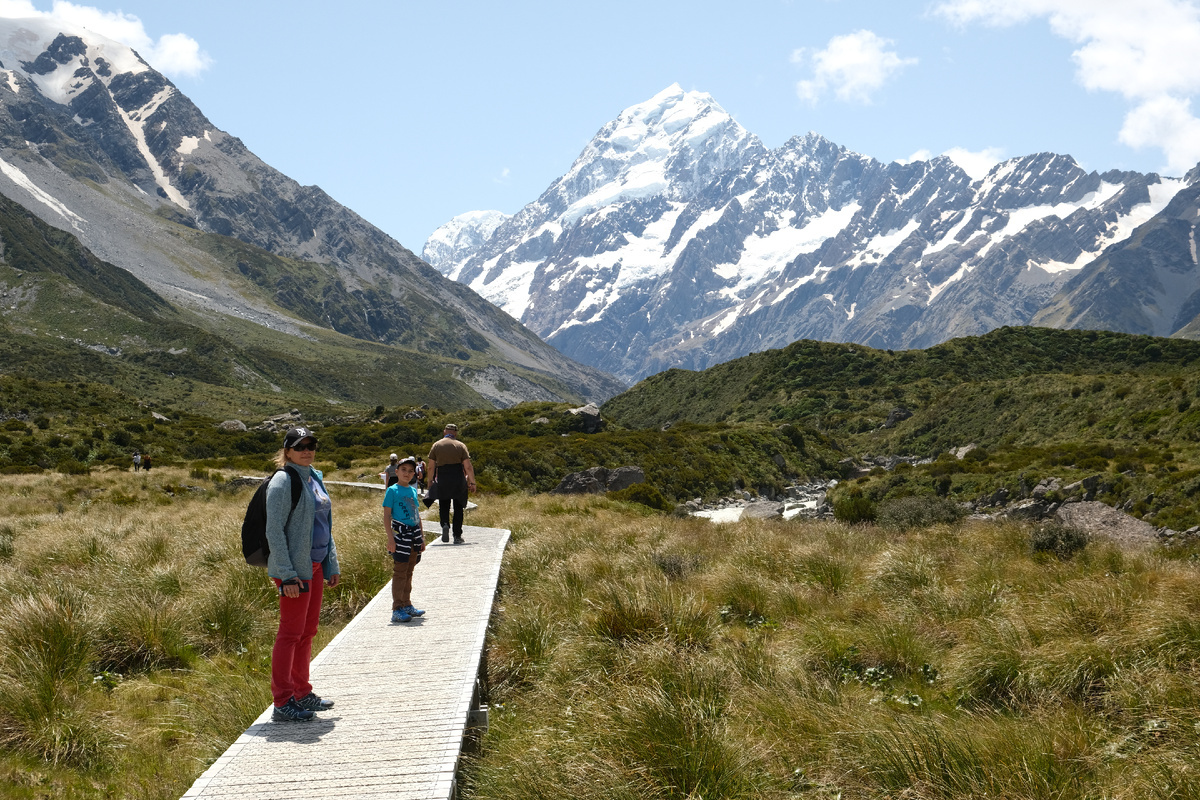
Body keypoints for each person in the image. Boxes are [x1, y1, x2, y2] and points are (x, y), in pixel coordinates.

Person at [266, 426, 341, 722]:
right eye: (300, 446)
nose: (307, 450)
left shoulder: (315, 477)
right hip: (295, 570)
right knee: (290, 634)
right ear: (287, 451)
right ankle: (283, 700)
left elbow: (325, 524)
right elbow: (274, 530)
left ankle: (301, 692)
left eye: (311, 445)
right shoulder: (284, 482)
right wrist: (286, 575)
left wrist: (331, 563)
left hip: (316, 564)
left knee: (307, 632)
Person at [382, 456, 426, 623]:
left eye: (410, 471)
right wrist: (390, 539)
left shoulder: (413, 490)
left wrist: (421, 537)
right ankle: (397, 608)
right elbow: (387, 515)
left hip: (414, 536)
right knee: (400, 572)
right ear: (397, 471)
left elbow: (417, 515)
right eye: (404, 470)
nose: (407, 474)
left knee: (409, 571)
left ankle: (407, 603)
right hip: (401, 536)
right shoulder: (392, 491)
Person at [426, 423, 475, 544]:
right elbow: (468, 466)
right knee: (458, 507)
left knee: (444, 504)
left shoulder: (436, 445)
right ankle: (457, 536)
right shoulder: (461, 446)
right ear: (456, 433)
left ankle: (445, 525)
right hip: (458, 478)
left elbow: (431, 467)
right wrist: (472, 482)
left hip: (443, 478)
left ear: (444, 432)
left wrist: (430, 481)